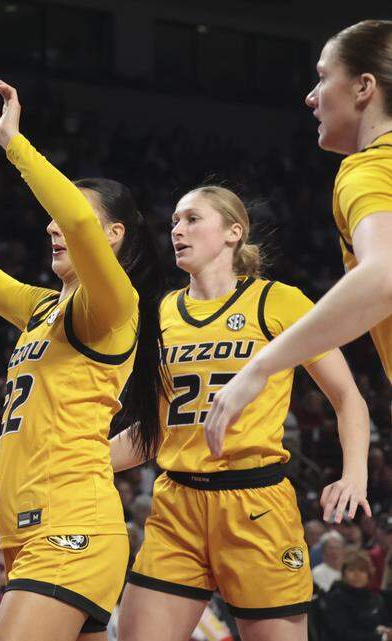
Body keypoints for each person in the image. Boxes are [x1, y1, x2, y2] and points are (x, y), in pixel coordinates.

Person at [0, 76, 167, 640]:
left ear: (112, 235)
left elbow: (69, 217)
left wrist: (15, 145)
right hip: (27, 533)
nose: (51, 228)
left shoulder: (114, 306)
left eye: (74, 222)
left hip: (71, 529)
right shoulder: (46, 307)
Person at [110, 186, 371, 641]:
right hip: (176, 505)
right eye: (173, 220)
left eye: (192, 219)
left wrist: (354, 474)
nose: (177, 229)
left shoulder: (277, 301)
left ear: (234, 232)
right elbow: (155, 432)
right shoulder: (161, 313)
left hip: (255, 503)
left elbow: (348, 397)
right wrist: (76, 462)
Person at [206, 20, 392, 450]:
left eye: (324, 77)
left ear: (364, 87)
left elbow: (382, 275)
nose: (311, 97)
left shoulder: (369, 167)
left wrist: (260, 366)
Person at [319, 549, 390, 641]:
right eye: (351, 570)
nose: (357, 575)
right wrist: (381, 638)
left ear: (369, 575)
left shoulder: (375, 598)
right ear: (344, 574)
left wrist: (383, 630)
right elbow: (343, 634)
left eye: (362, 570)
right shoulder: (336, 598)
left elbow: (375, 624)